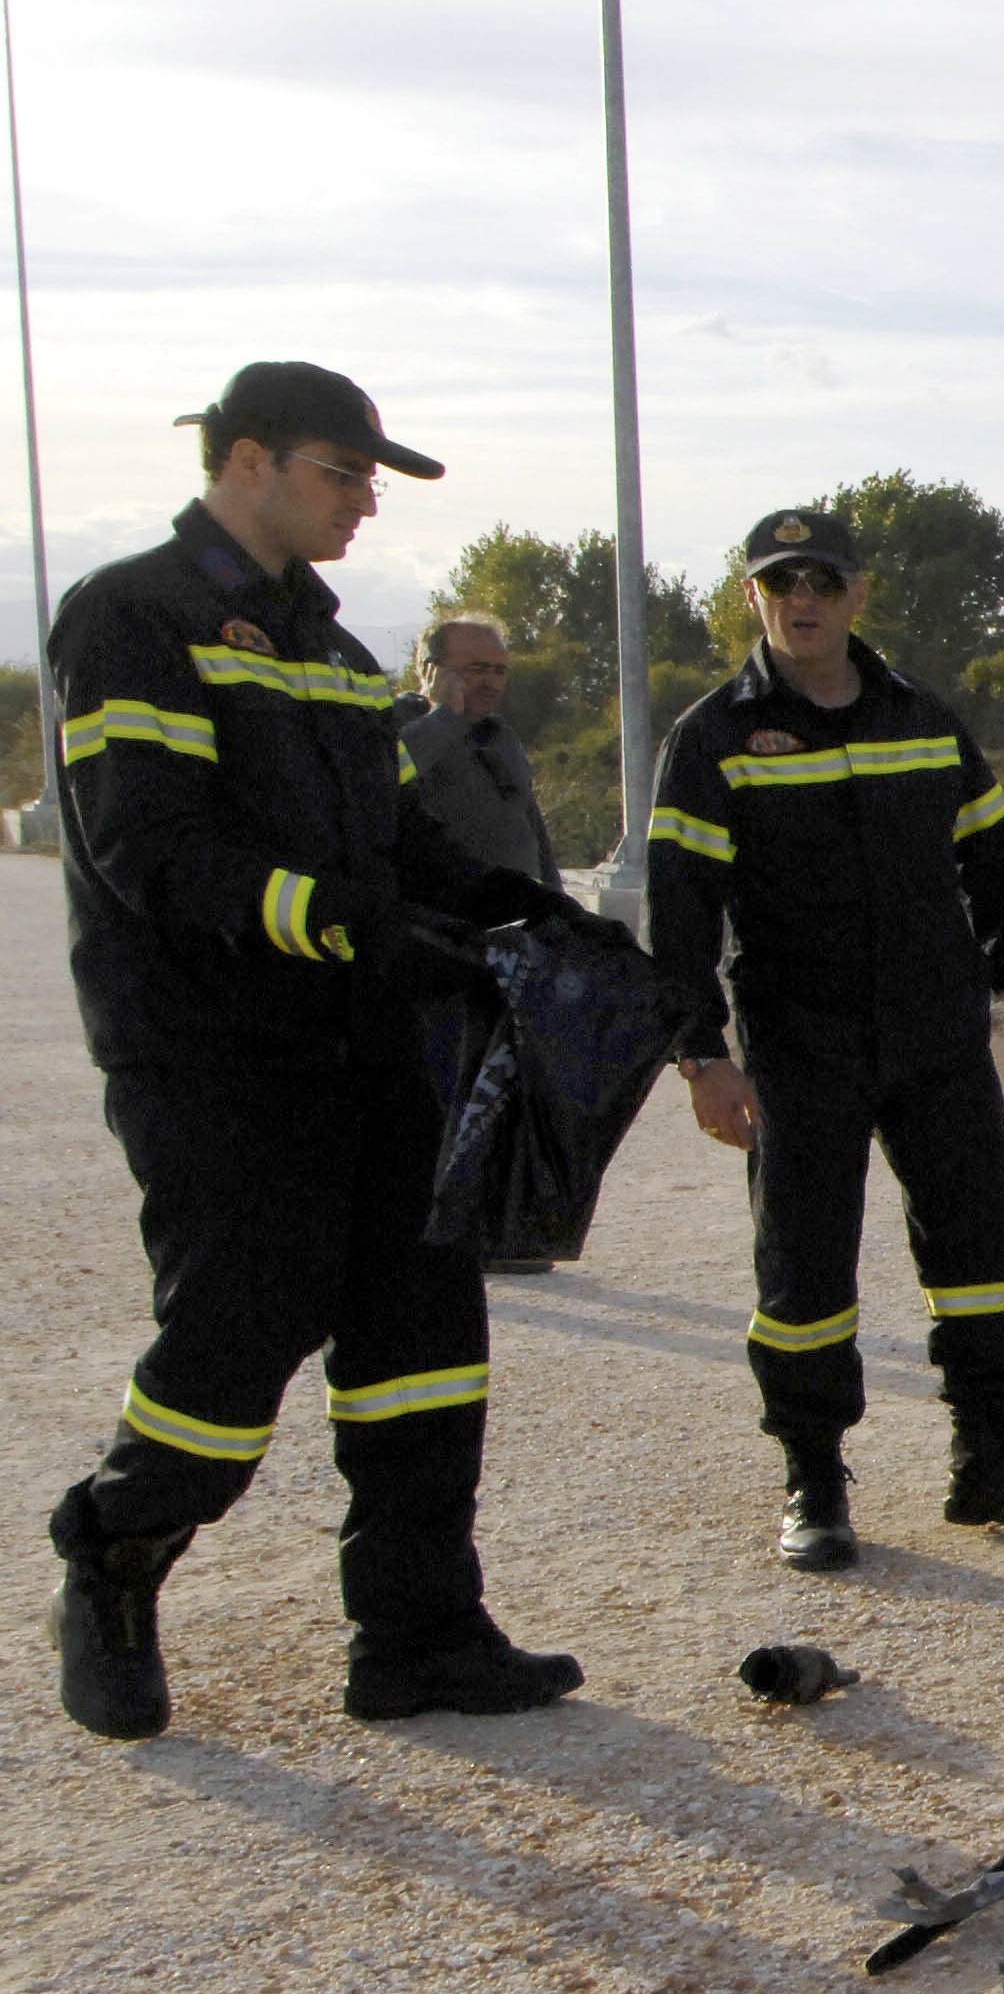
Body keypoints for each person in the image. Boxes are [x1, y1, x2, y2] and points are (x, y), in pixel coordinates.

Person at [38, 362, 596, 1739]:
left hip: (370, 1044)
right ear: (246, 461)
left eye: (369, 482)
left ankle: (417, 1632)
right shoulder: (133, 619)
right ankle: (112, 1554)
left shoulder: (340, 658)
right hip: (216, 1049)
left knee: (422, 1336)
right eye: (343, 474)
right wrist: (349, 924)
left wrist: (514, 906)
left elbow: (409, 846)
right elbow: (149, 849)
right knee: (242, 1325)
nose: (363, 505)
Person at [647, 507, 1004, 1572]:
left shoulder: (922, 717)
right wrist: (701, 1053)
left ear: (856, 595)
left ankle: (988, 1458)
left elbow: (994, 854)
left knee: (981, 1253)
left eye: (823, 582)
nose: (803, 601)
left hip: (937, 1029)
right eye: (780, 582)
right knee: (804, 1266)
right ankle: (813, 1480)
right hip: (801, 1039)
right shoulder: (712, 736)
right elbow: (679, 907)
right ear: (753, 594)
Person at [391, 614, 556, 882]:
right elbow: (382, 776)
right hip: (441, 913)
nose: (490, 683)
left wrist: (557, 904)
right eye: (477, 669)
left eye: (499, 671)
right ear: (429, 670)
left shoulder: (500, 736)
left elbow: (531, 828)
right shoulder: (396, 726)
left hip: (518, 910)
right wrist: (444, 716)